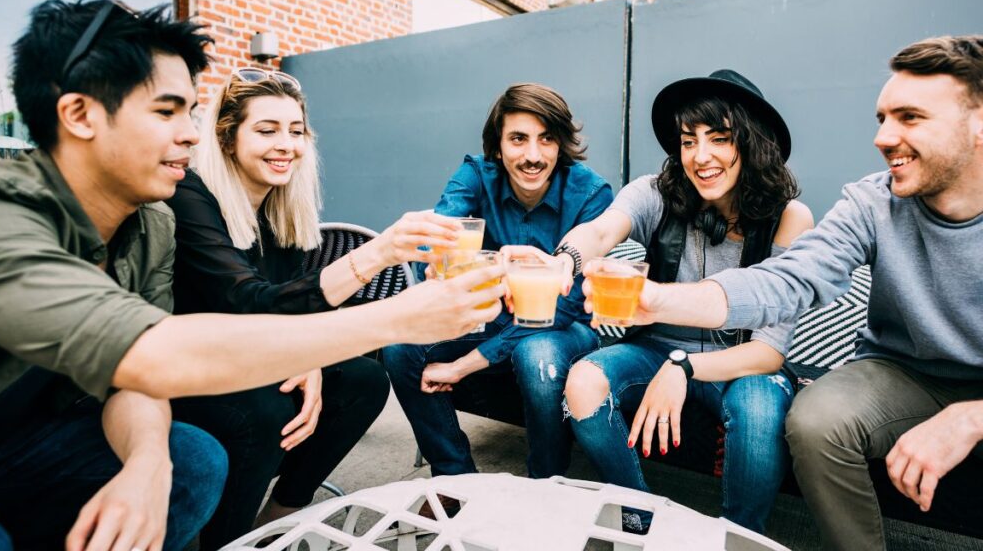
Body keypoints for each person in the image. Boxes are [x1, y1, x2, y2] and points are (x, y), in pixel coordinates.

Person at [0, 0, 503, 551]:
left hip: (45, 433)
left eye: (191, 113)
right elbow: (155, 351)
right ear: (79, 116)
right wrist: (396, 317)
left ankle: (267, 525)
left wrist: (147, 464)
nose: (191, 134)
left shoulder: (150, 226)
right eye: (165, 111)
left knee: (187, 460)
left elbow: (133, 380)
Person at [604, 36, 983, 550]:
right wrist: (658, 300)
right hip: (902, 371)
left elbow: (769, 350)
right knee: (815, 419)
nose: (883, 137)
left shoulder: (783, 210)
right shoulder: (872, 201)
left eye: (910, 117)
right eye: (882, 118)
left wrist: (972, 415)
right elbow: (786, 281)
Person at [165, 69, 462, 548]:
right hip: (185, 370)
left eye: (296, 131)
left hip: (248, 356)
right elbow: (247, 302)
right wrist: (378, 254)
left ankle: (276, 520)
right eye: (266, 130)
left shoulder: (278, 207)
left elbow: (292, 307)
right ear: (226, 137)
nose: (286, 144)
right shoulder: (192, 196)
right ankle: (227, 540)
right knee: (264, 411)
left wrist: (311, 355)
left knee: (363, 380)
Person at [520, 70, 812, 534]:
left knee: (760, 410)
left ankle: (736, 538)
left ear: (753, 143)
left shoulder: (789, 217)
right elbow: (602, 228)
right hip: (653, 348)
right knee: (583, 381)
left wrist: (684, 368)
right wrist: (568, 259)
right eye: (688, 140)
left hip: (741, 363)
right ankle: (641, 520)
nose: (701, 156)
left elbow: (770, 352)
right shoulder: (657, 192)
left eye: (719, 138)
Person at [382, 83, 613, 487]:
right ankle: (455, 478)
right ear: (498, 144)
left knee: (536, 354)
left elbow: (566, 305)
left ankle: (546, 484)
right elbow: (440, 236)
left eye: (546, 139)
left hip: (564, 326)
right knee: (399, 347)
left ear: (561, 143)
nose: (533, 156)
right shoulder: (476, 174)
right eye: (518, 139)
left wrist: (464, 365)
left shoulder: (591, 192)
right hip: (489, 315)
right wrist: (443, 259)